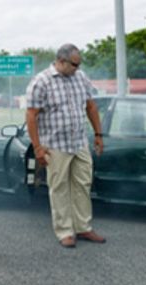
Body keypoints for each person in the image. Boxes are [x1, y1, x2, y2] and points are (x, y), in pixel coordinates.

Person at [25, 43, 105, 248]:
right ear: (61, 61)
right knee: (59, 187)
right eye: (74, 65)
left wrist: (98, 134)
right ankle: (65, 231)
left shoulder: (81, 77)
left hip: (79, 142)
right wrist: (37, 148)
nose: (77, 69)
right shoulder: (41, 82)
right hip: (54, 144)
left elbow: (91, 106)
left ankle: (83, 227)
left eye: (79, 65)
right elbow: (31, 116)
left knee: (83, 184)